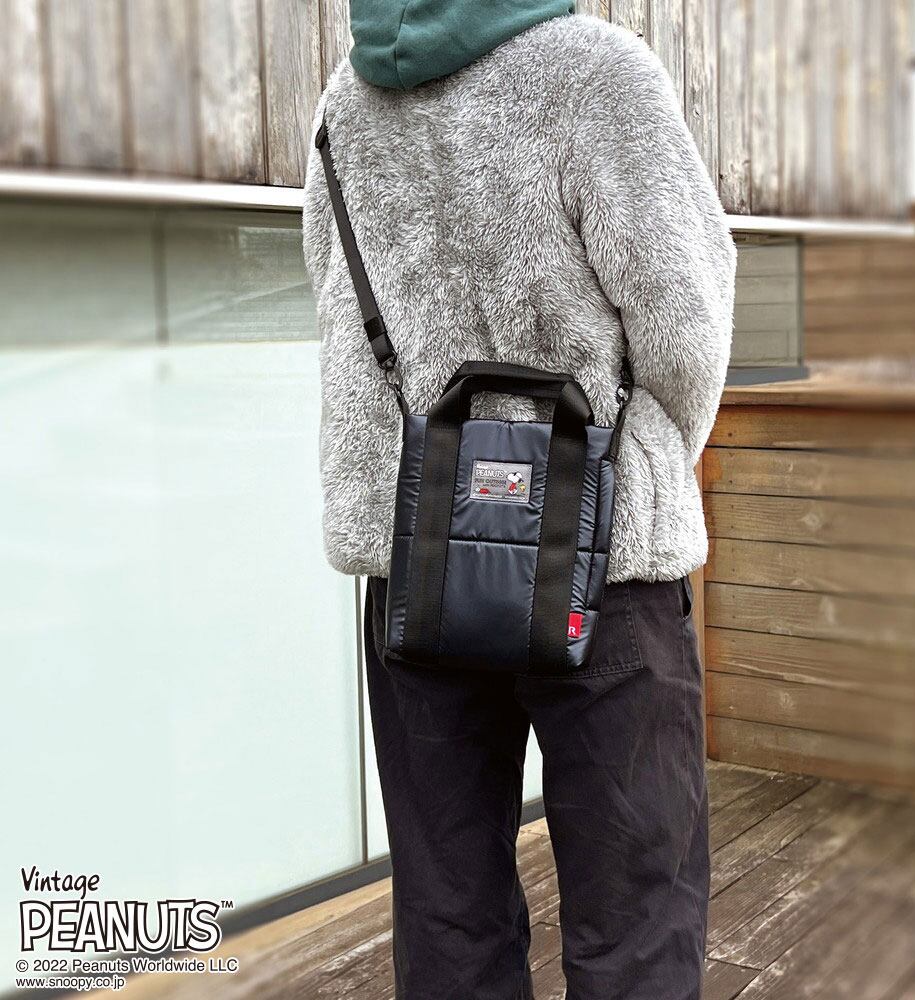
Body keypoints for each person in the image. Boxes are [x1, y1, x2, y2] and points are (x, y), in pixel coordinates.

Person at [303, 2, 736, 997]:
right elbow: (686, 319)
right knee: (637, 912)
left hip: (418, 557)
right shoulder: (598, 72)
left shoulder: (342, 105)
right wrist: (640, 468)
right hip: (601, 557)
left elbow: (333, 299)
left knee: (447, 908)